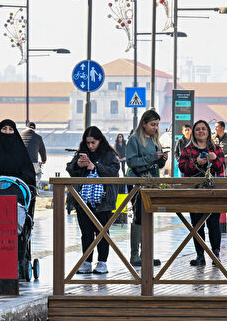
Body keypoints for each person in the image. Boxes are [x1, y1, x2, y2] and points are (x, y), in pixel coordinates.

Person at [65, 125, 121, 275]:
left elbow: (114, 171)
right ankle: (87, 261)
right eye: (88, 143)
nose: (90, 146)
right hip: (83, 200)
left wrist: (94, 166)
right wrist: (77, 165)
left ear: (100, 140)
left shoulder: (109, 154)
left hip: (103, 201)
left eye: (93, 143)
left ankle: (102, 262)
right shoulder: (81, 153)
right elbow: (70, 170)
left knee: (102, 232)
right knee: (86, 233)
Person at [177, 119, 227, 266]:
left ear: (208, 132)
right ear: (194, 132)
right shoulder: (188, 149)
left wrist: (215, 159)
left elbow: (221, 167)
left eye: (203, 129)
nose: (201, 131)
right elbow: (182, 167)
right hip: (195, 192)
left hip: (213, 192)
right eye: (198, 129)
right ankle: (200, 255)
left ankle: (215, 254)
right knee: (197, 225)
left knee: (214, 224)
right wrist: (196, 163)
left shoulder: (216, 148)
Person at [123, 108, 167, 269]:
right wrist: (152, 157)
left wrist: (162, 159)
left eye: (157, 125)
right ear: (144, 124)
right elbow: (132, 162)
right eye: (153, 124)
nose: (155, 128)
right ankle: (135, 254)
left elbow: (156, 163)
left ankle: (146, 253)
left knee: (149, 216)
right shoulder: (134, 139)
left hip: (152, 181)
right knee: (139, 216)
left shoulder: (155, 140)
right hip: (138, 182)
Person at [0, 119, 36, 195]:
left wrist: (16, 180)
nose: (7, 132)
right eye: (4, 129)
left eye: (11, 129)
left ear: (14, 131)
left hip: (17, 192)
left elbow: (29, 173)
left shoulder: (21, 151)